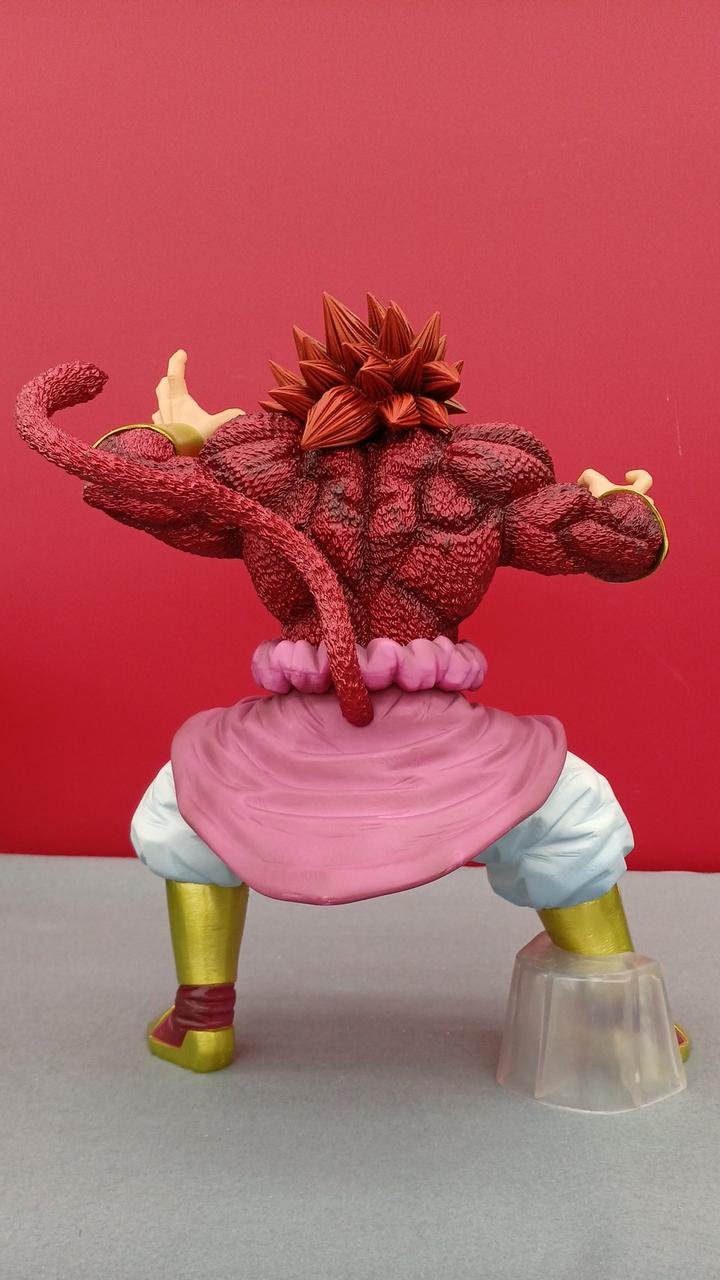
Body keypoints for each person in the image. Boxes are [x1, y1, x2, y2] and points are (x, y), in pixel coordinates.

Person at [16, 293, 686, 1074]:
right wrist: (620, 503)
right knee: (572, 810)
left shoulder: (266, 479)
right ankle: (616, 1023)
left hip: (291, 744)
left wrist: (173, 435)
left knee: (183, 809)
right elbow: (621, 546)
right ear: (433, 395)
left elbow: (132, 484)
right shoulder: (471, 483)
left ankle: (200, 1022)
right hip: (441, 745)